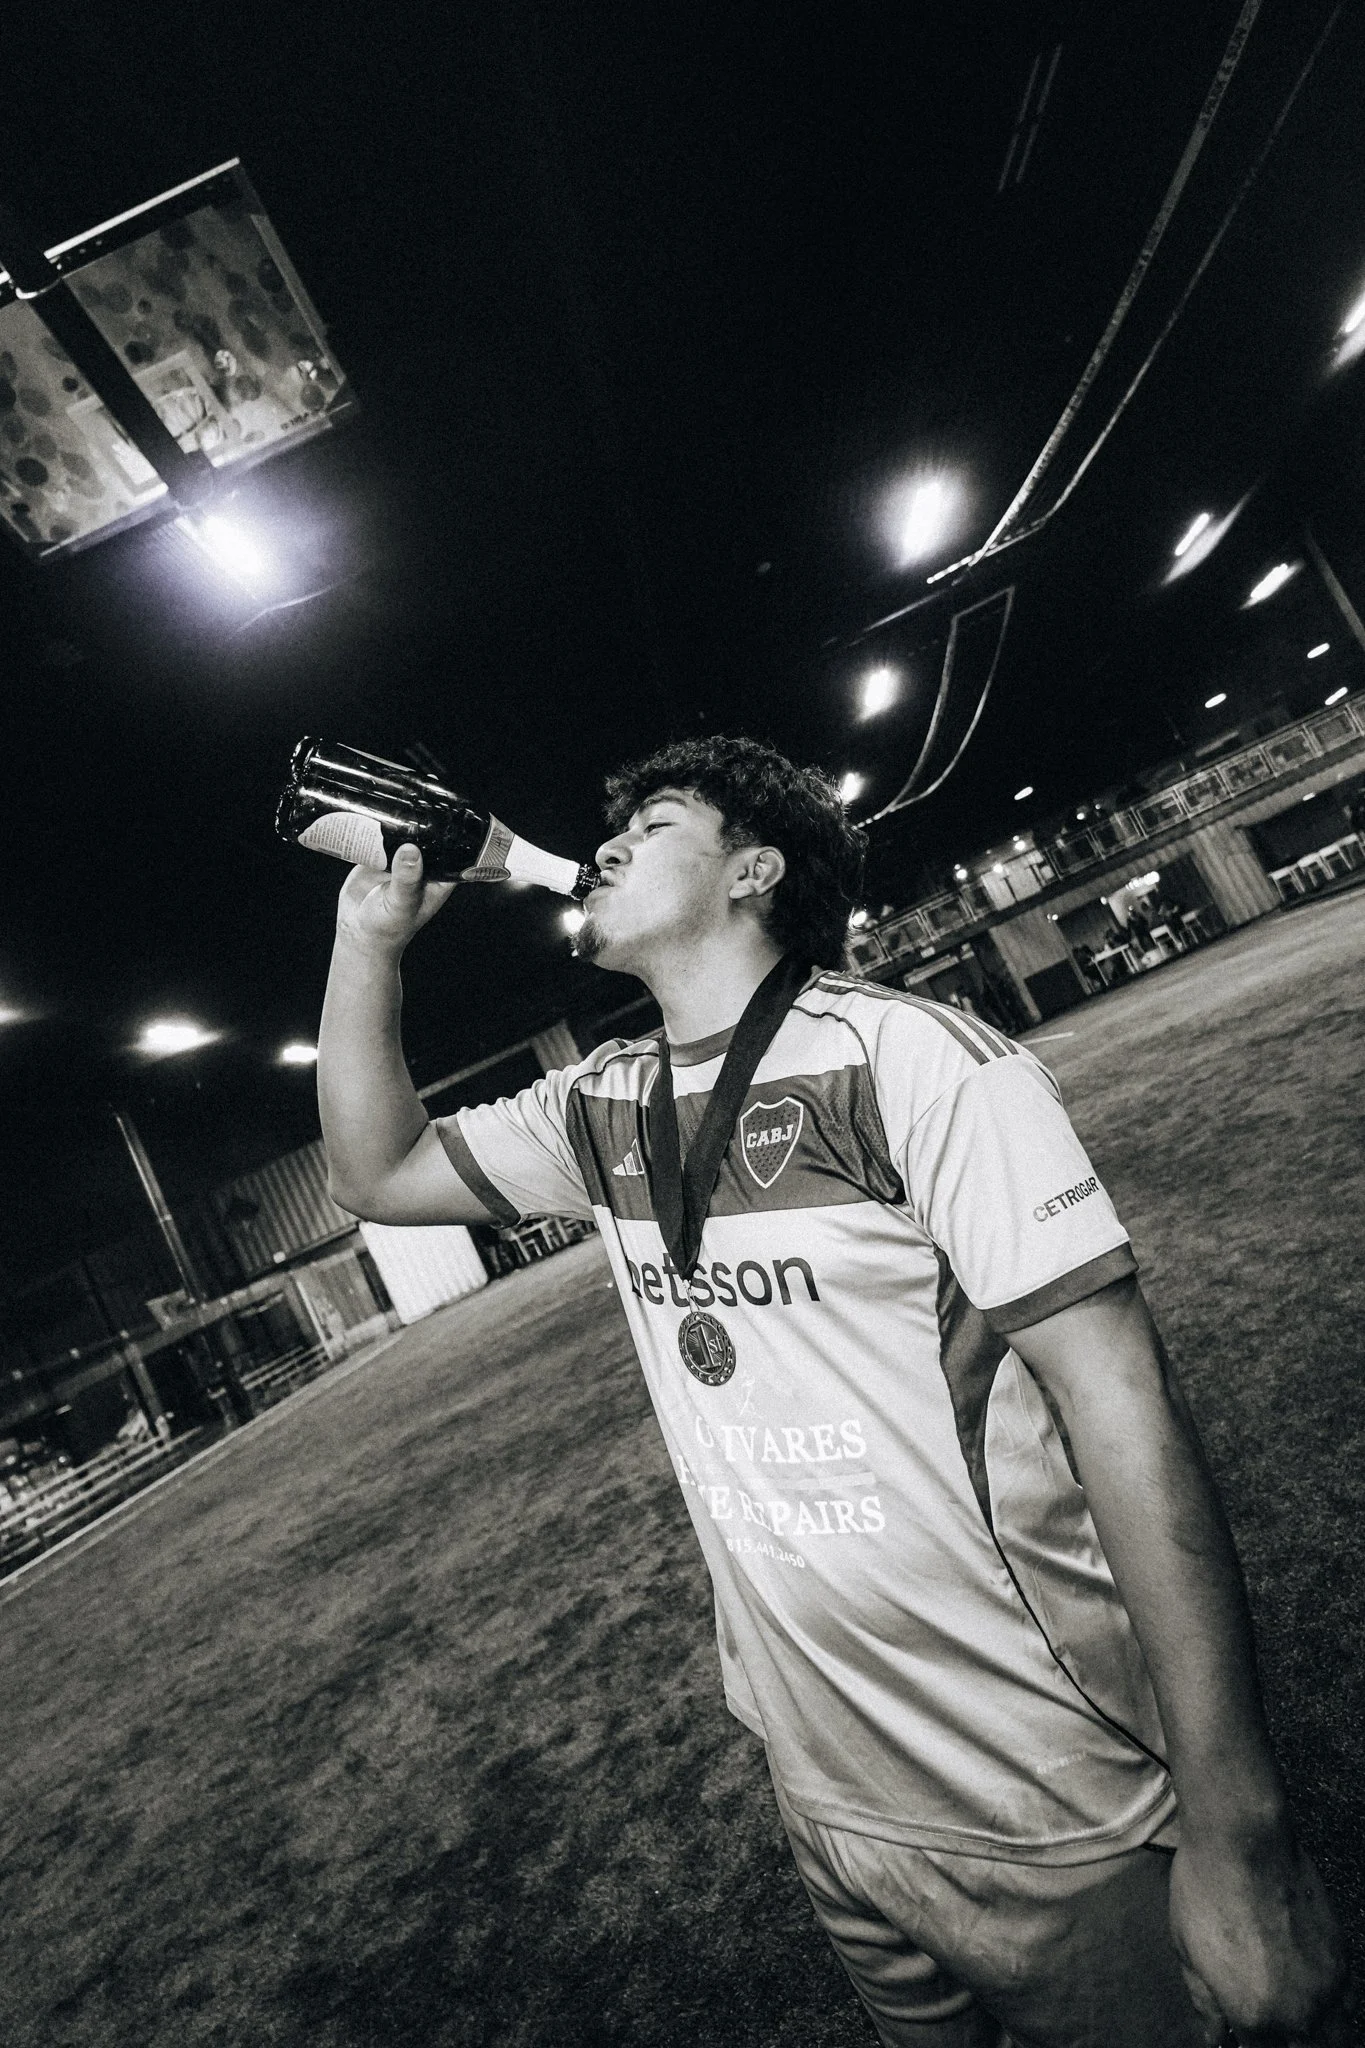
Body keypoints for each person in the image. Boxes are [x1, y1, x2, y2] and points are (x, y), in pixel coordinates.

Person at [316, 734, 1352, 2048]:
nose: (616, 839)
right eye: (613, 824)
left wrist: (1240, 1828)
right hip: (826, 1803)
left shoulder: (913, 1060)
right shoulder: (605, 1102)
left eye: (660, 818)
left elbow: (1121, 1407)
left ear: (754, 869)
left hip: (1042, 1794)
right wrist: (369, 939)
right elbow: (375, 1170)